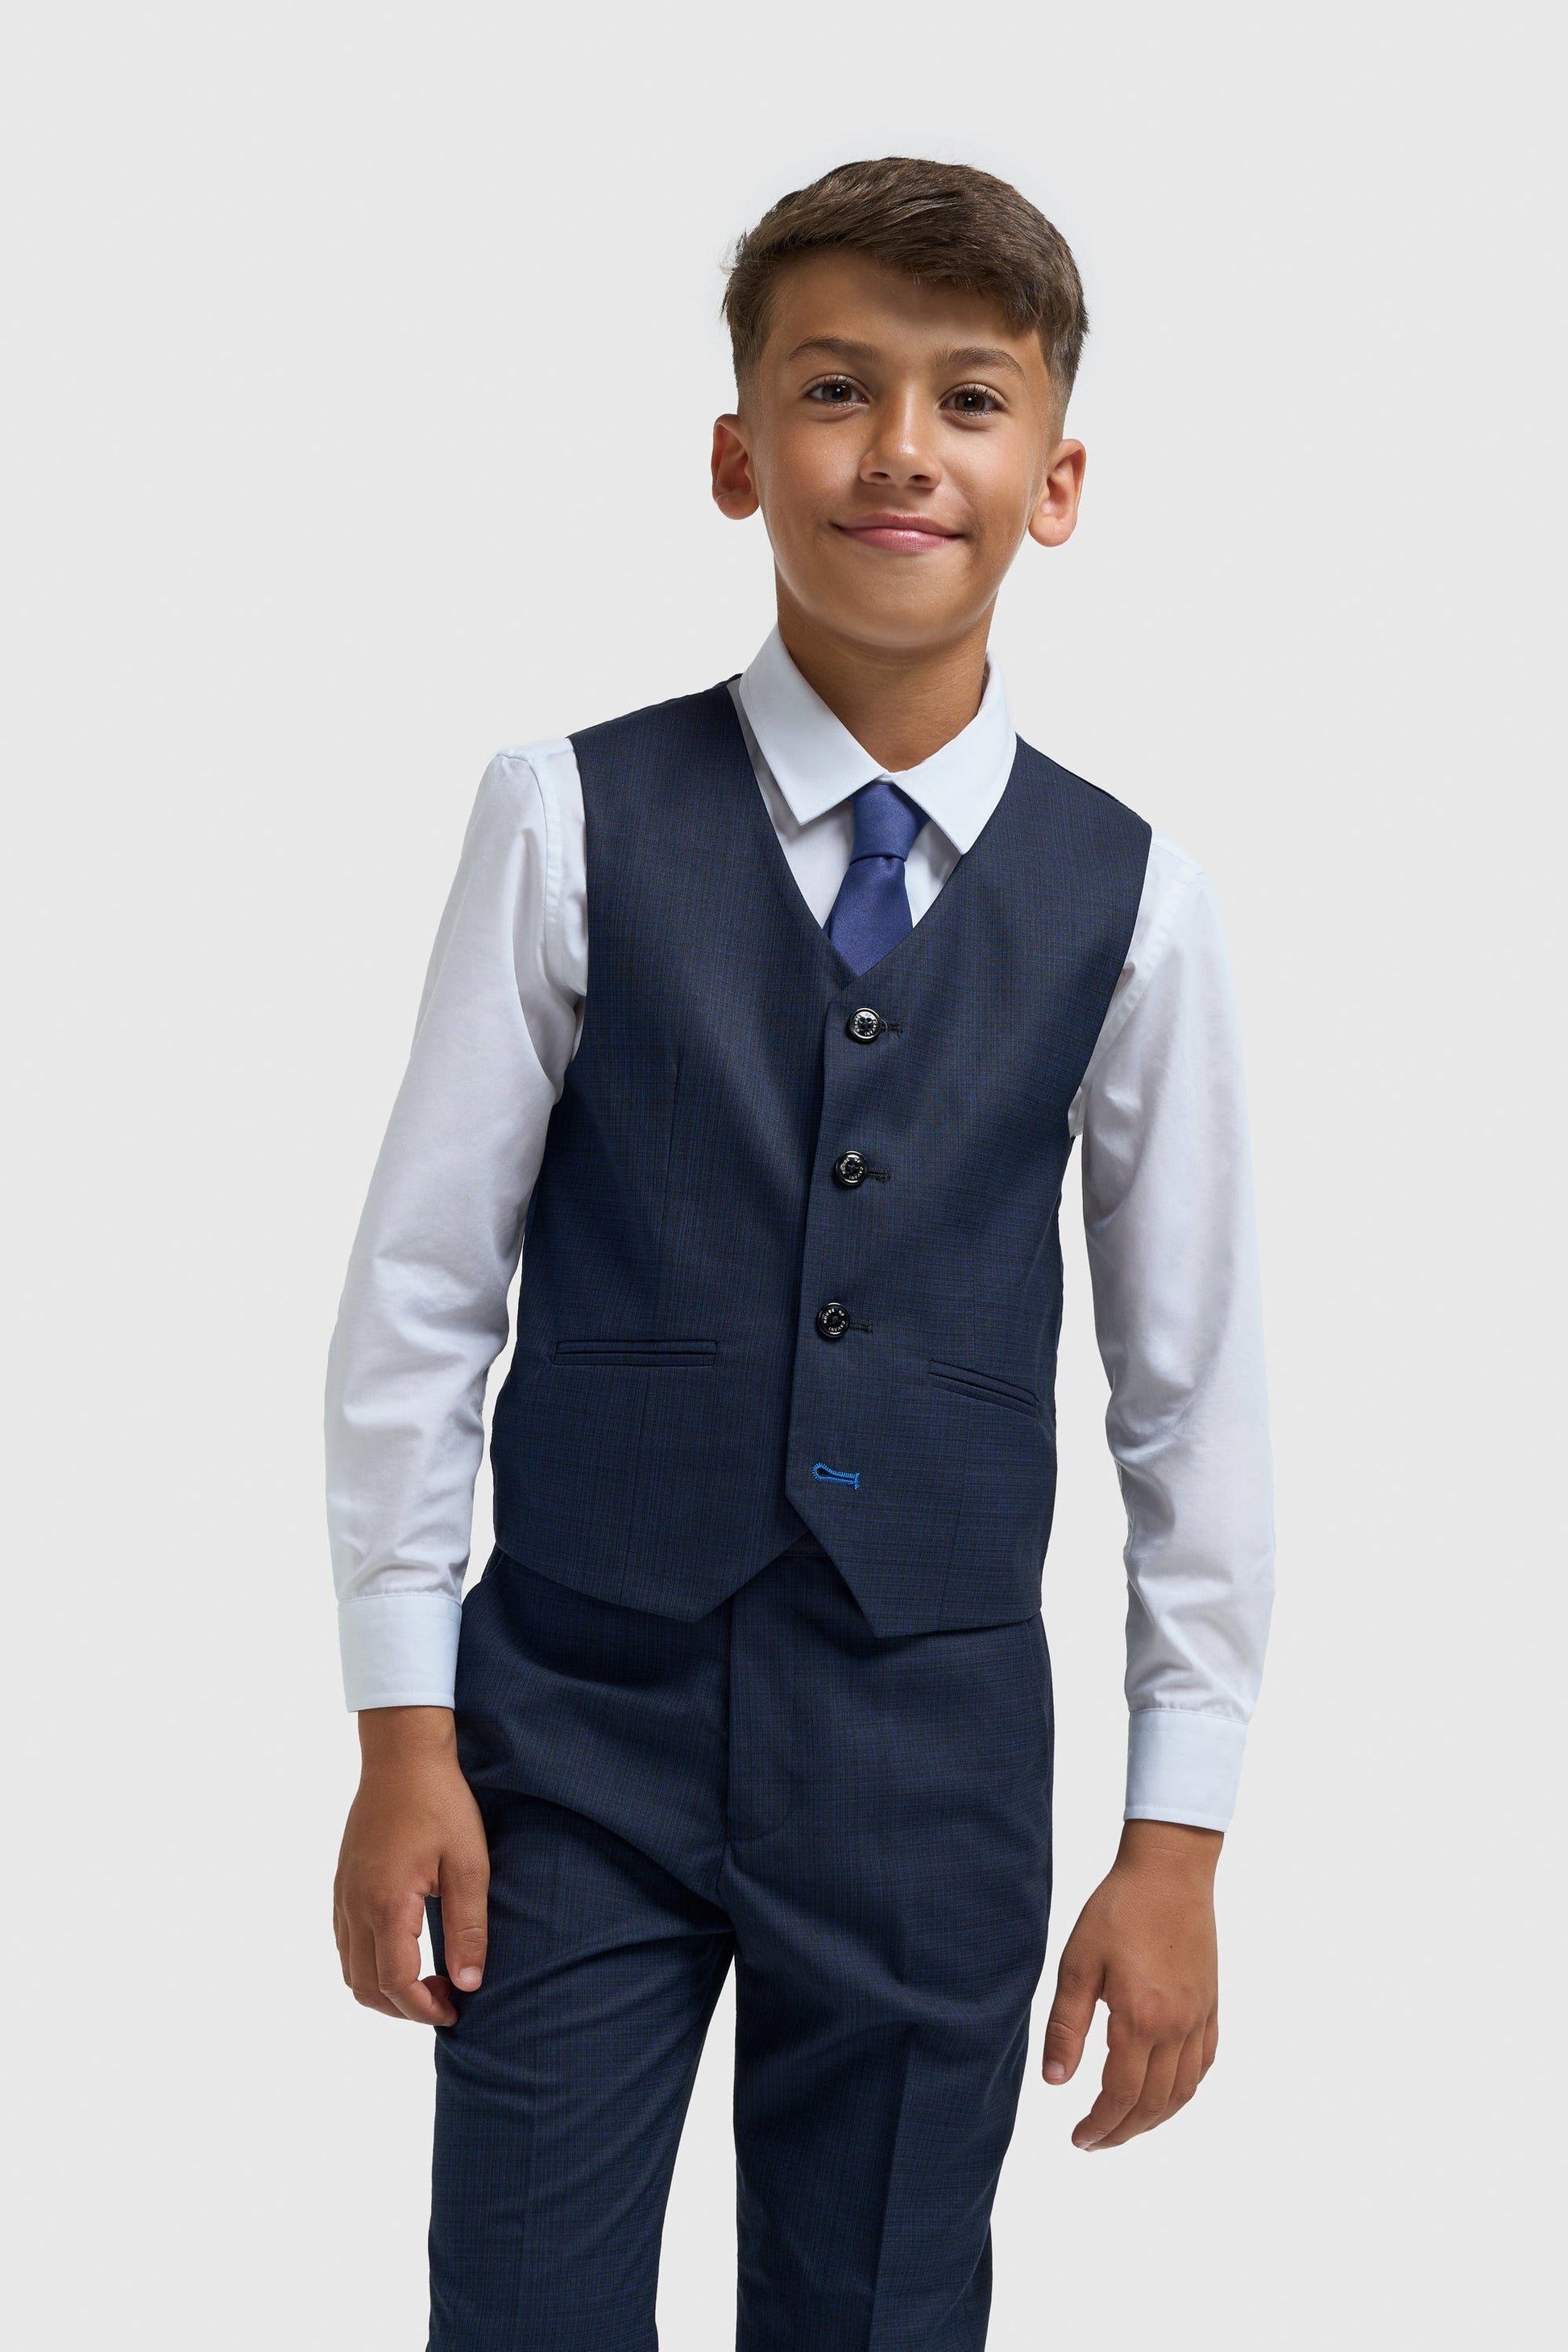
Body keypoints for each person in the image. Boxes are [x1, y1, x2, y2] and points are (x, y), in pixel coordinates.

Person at [326, 155, 1274, 2351]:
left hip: (931, 1747)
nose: (900, 448)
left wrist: (1179, 1839)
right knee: (521, 2305)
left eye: (970, 400)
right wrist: (401, 1727)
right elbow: (421, 1296)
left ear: (1054, 482)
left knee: (879, 2316)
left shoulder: (1135, 901)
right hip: (568, 1731)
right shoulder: (567, 815)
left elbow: (1191, 1389)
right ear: (740, 455)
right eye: (836, 390)